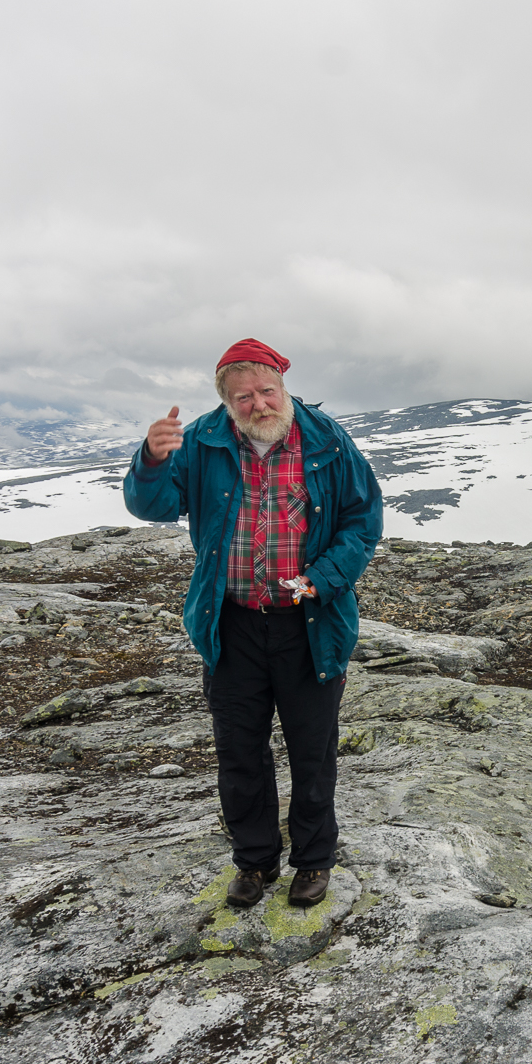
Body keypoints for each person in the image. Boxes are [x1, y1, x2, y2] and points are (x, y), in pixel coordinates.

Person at [123, 339, 382, 908]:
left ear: (282, 387)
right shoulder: (202, 442)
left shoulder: (327, 440)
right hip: (232, 623)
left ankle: (314, 860)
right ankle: (254, 861)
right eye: (244, 397)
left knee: (312, 751)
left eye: (266, 391)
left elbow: (363, 522)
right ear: (226, 402)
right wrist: (152, 460)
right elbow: (154, 507)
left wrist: (324, 577)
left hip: (309, 623)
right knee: (240, 751)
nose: (258, 404)